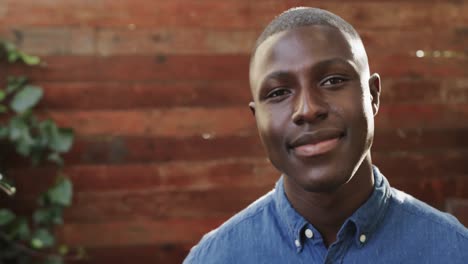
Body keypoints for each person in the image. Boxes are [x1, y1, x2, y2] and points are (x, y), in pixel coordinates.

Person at [183, 7, 468, 263]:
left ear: (373, 96)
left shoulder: (454, 250)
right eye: (279, 92)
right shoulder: (215, 258)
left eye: (333, 80)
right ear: (257, 119)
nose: (307, 110)